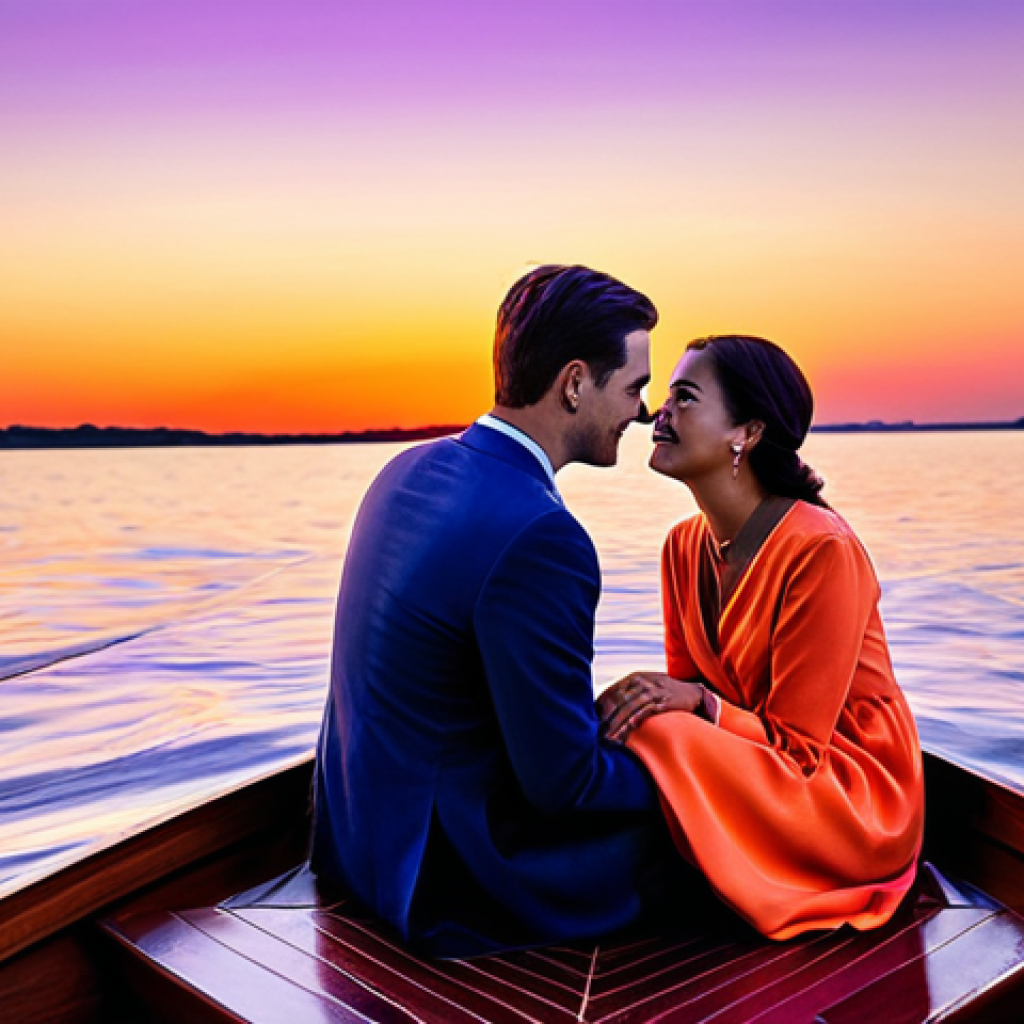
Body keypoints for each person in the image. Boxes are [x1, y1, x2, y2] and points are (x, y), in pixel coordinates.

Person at [310, 265, 688, 958]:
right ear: (574, 383)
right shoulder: (541, 534)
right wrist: (701, 773)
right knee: (732, 840)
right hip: (449, 884)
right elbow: (565, 788)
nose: (642, 411)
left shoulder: (406, 469)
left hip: (355, 844)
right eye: (633, 386)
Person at [599, 335, 925, 941]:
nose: (657, 413)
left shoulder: (821, 548)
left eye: (685, 398)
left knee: (657, 724)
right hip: (759, 762)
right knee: (629, 708)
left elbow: (799, 747)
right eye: (664, 396)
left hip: (847, 786)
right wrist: (688, 701)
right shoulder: (680, 548)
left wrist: (699, 705)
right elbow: (687, 689)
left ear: (745, 433)